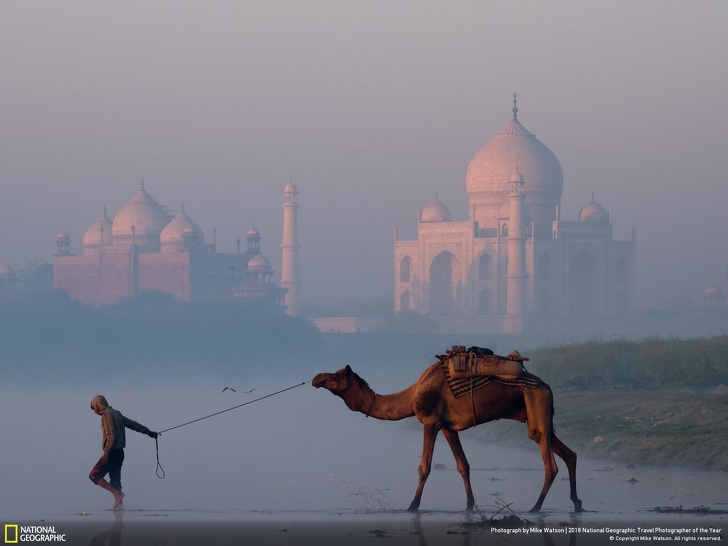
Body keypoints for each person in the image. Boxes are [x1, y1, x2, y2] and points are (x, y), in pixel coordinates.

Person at [89, 395, 158, 510]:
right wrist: (149, 432)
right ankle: (119, 511)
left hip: (111, 452)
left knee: (94, 475)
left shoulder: (107, 415)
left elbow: (111, 435)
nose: (95, 412)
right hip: (120, 453)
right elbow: (133, 424)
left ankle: (117, 494)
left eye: (94, 409)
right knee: (116, 482)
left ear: (98, 405)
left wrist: (106, 452)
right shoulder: (117, 413)